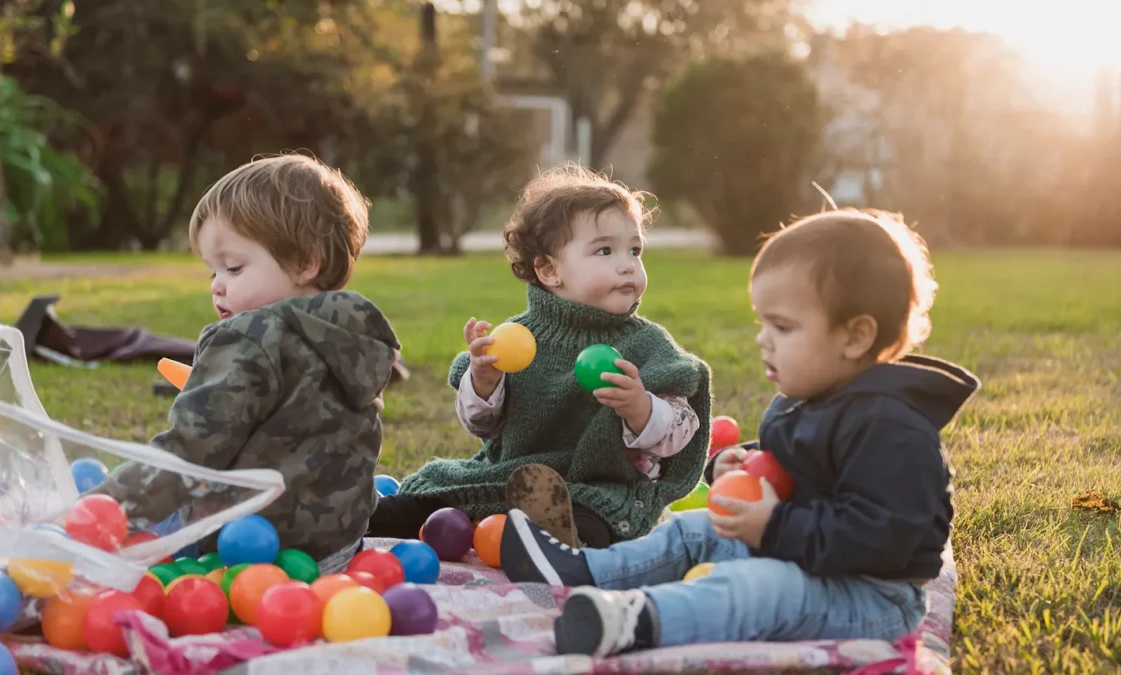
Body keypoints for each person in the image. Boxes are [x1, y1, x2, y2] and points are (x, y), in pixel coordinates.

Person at [498, 208, 981, 656]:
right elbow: (799, 466)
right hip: (801, 557)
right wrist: (741, 463)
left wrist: (774, 525)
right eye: (762, 322)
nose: (761, 339)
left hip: (870, 597)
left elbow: (887, 538)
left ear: (855, 336)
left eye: (783, 327)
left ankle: (636, 622)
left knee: (756, 590)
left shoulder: (894, 429)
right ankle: (583, 572)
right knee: (695, 530)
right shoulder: (814, 397)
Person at [367, 164, 712, 548]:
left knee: (592, 526)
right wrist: (484, 382)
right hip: (503, 476)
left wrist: (642, 408)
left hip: (595, 489)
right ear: (549, 270)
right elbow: (482, 426)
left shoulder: (649, 346)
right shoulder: (516, 339)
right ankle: (356, 521)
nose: (627, 263)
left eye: (635, 249)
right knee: (426, 504)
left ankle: (546, 544)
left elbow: (682, 431)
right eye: (604, 250)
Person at [93, 154, 399, 570]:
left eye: (233, 268)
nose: (218, 287)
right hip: (336, 549)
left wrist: (105, 508)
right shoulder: (353, 333)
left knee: (131, 518)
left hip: (251, 550)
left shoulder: (248, 338)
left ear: (306, 262)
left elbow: (191, 451)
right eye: (212, 272)